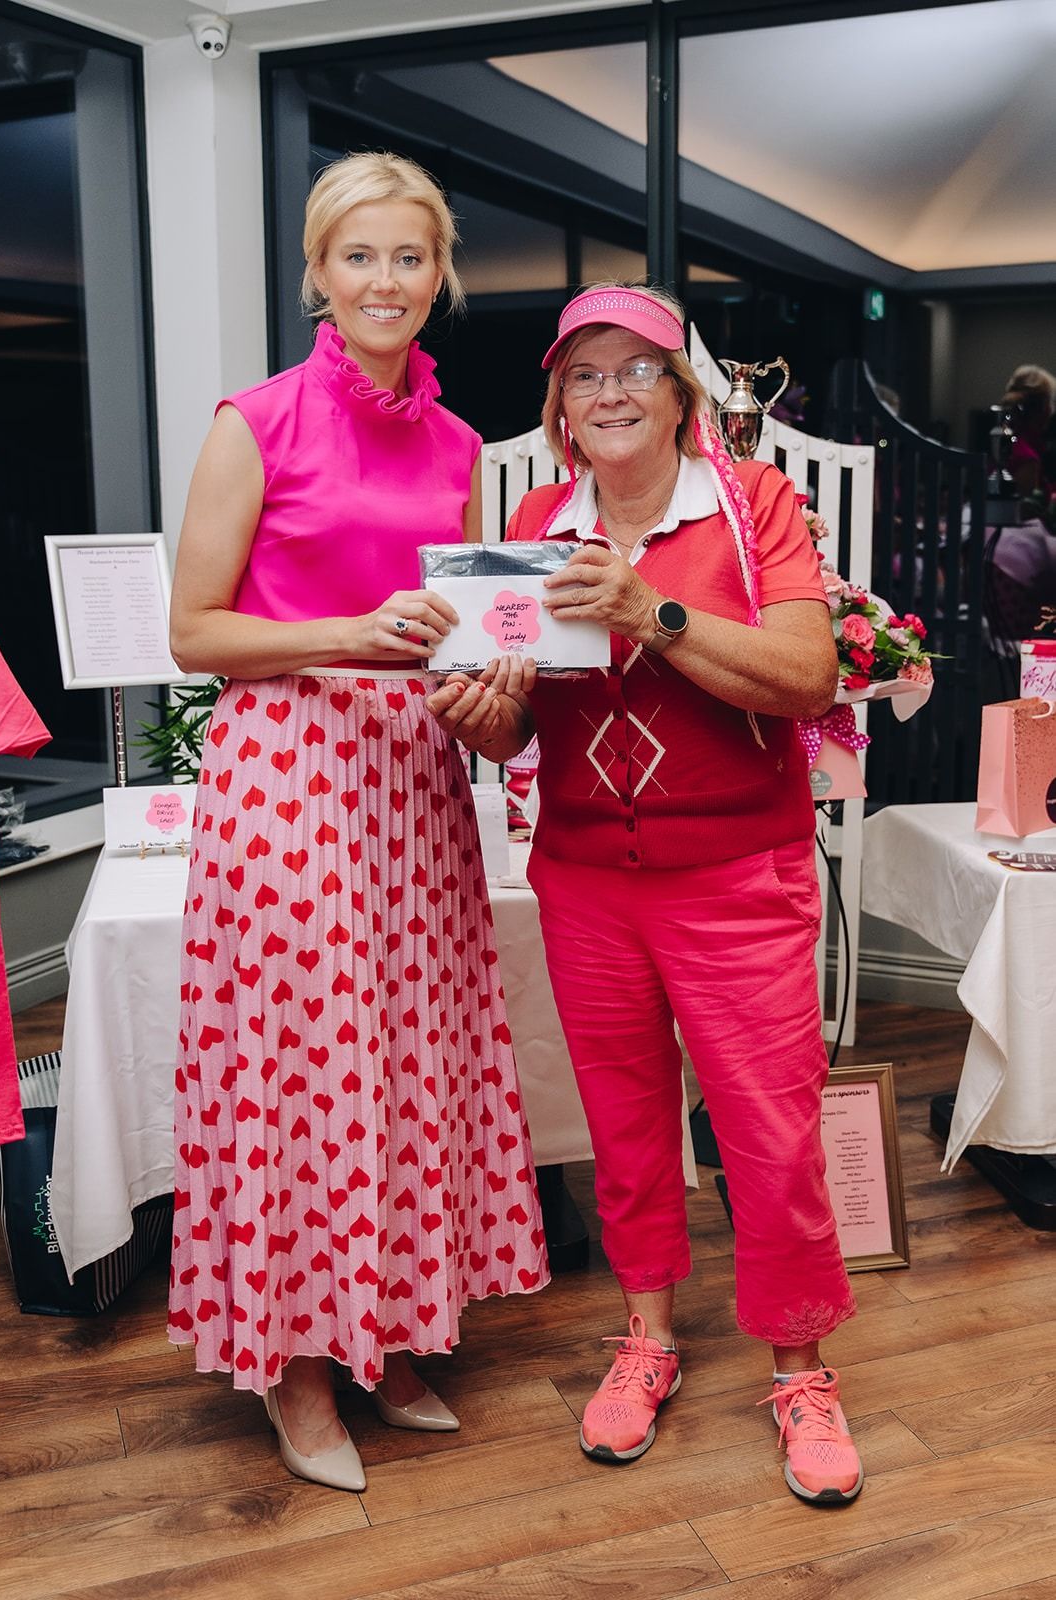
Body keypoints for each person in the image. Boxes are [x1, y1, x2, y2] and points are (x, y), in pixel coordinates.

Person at [427, 282, 862, 1506]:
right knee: (622, 1127)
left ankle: (799, 1369)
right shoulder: (532, 521)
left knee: (771, 1136)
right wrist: (478, 711)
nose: (608, 391)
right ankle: (648, 1337)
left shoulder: (753, 504)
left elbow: (805, 675)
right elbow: (518, 724)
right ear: (558, 408)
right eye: (583, 373)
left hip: (737, 876)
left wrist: (650, 610)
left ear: (679, 398)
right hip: (583, 878)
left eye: (634, 369)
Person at [167, 151, 549, 1492]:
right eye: (358, 256)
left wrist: (495, 690)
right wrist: (351, 634)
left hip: (414, 777)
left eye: (409, 256)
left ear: (439, 276)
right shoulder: (254, 420)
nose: (385, 280)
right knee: (299, 1070)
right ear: (317, 274)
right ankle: (294, 1367)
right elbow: (193, 632)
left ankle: (382, 1331)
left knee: (401, 1064)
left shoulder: (459, 449)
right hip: (288, 773)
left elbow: (476, 631)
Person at [1001, 364, 1056, 497]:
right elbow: (1028, 508)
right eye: (1051, 401)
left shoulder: (1005, 442)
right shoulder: (1027, 458)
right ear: (1045, 408)